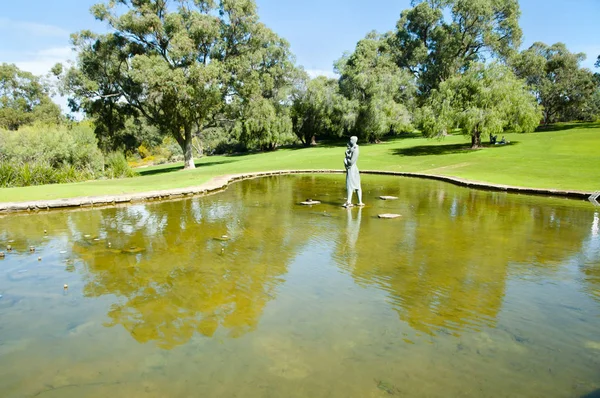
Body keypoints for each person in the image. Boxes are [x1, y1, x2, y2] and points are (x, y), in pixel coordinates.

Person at [343, 136, 364, 207]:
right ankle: (354, 201)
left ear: (354, 140)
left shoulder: (356, 149)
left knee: (351, 185)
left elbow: (351, 162)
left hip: (352, 169)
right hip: (352, 169)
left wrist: (346, 157)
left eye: (351, 140)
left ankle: (351, 201)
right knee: (353, 185)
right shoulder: (353, 148)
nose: (349, 140)